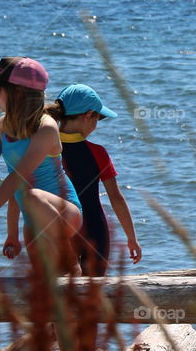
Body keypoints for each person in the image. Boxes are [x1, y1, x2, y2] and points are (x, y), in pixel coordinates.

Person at [0, 57, 82, 275]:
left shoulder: (46, 127)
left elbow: (19, 177)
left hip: (63, 211)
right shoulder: (2, 126)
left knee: (33, 197)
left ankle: (72, 270)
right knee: (43, 277)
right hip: (32, 216)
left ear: (18, 93)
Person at [40, 83, 141, 276]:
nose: (96, 126)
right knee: (92, 297)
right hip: (94, 232)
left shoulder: (43, 149)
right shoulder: (97, 153)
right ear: (88, 116)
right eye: (98, 118)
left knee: (58, 296)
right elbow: (116, 197)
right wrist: (131, 237)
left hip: (56, 231)